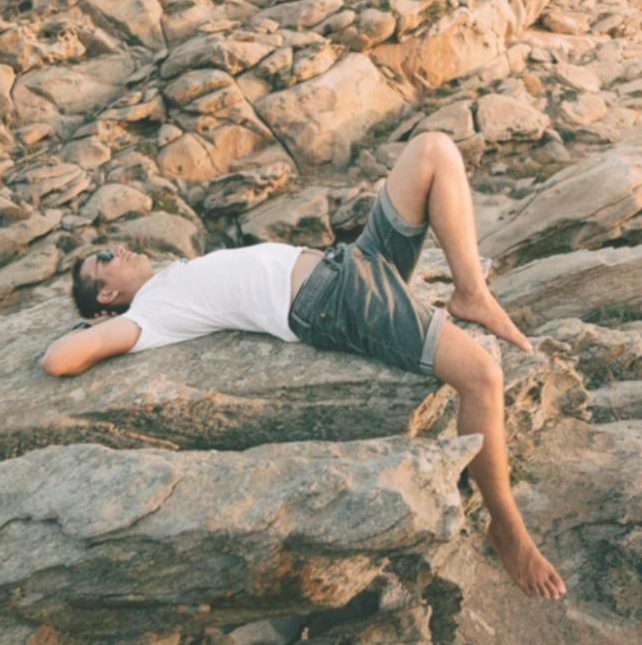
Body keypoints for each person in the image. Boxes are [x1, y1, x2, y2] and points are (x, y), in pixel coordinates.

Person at [39, 132, 567, 600]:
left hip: (350, 261)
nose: (118, 249)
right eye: (105, 258)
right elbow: (59, 360)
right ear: (106, 296)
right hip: (334, 301)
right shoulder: (149, 313)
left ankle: (470, 292)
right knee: (482, 375)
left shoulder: (170, 275)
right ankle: (507, 528)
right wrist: (91, 330)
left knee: (434, 148)